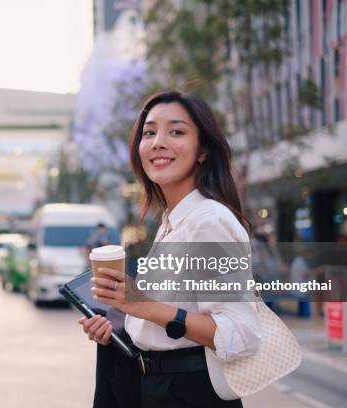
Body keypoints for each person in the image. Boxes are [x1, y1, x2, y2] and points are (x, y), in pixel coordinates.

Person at [77, 91, 262, 407]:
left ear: (202, 149)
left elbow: (242, 334)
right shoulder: (172, 222)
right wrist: (117, 329)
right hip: (155, 386)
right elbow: (162, 324)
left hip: (189, 393)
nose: (158, 142)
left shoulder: (208, 221)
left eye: (176, 131)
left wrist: (141, 305)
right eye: (149, 132)